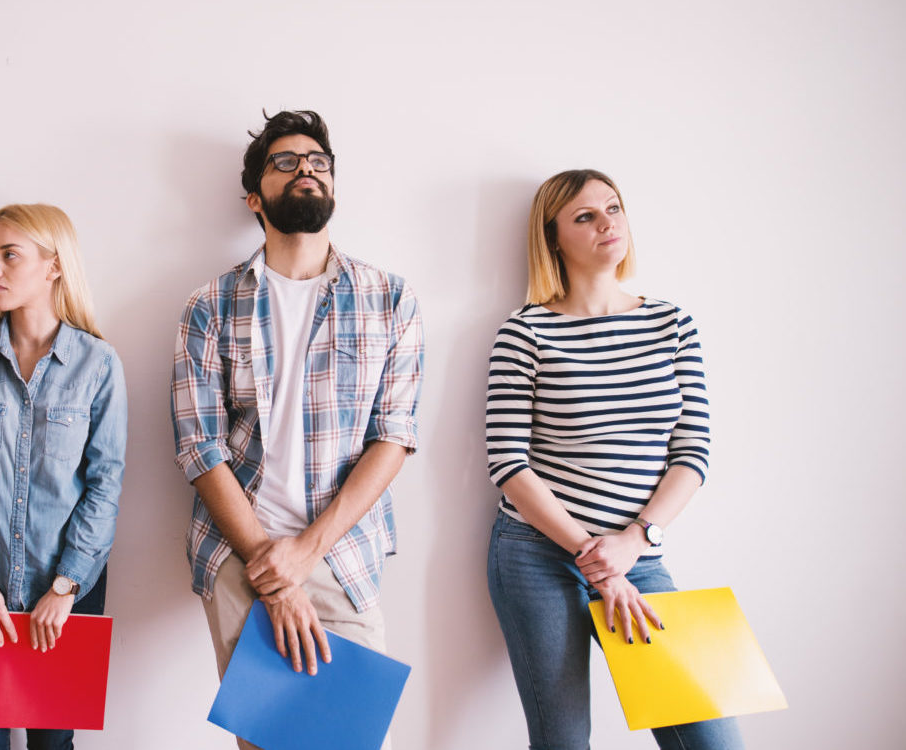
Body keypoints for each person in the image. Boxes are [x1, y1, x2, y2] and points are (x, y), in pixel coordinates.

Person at [170, 110, 424, 750]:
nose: (306, 169)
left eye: (318, 161)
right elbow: (199, 448)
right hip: (238, 558)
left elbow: (393, 438)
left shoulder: (389, 298)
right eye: (286, 162)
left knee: (346, 742)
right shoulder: (209, 305)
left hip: (342, 556)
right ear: (255, 197)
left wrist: (305, 554)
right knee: (265, 744)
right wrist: (269, 565)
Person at [485, 169, 744, 749]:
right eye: (585, 216)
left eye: (614, 208)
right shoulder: (525, 332)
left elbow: (693, 448)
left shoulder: (672, 323)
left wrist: (635, 540)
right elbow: (507, 463)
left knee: (713, 739)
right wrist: (591, 555)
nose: (607, 222)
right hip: (536, 554)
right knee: (564, 743)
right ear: (553, 237)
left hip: (637, 553)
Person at [0, 204, 127, 750]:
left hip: (68, 593)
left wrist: (65, 586)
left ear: (53, 266)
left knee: (53, 746)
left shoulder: (99, 364)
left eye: (9, 255)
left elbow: (105, 485)